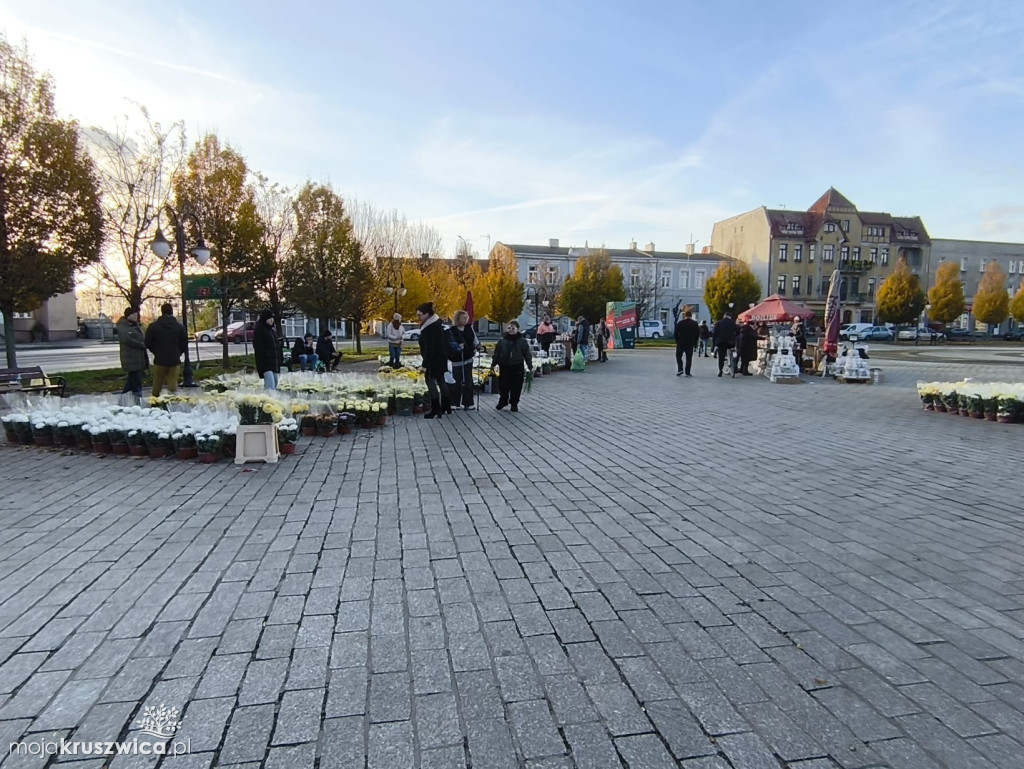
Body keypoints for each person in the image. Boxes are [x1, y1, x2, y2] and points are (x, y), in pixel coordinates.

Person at [144, 303, 188, 397]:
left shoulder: (153, 326)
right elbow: (184, 343)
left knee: (157, 384)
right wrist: (178, 352)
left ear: (162, 312)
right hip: (175, 360)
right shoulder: (180, 327)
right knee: (172, 385)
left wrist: (155, 351)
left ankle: (155, 403)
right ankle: (172, 404)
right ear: (172, 312)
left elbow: (147, 342)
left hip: (159, 359)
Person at [416, 302, 450, 419]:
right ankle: (446, 406)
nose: (418, 317)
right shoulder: (437, 325)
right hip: (441, 359)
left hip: (433, 360)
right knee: (441, 381)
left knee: (430, 382)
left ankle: (435, 409)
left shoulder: (430, 328)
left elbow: (430, 348)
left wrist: (425, 364)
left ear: (427, 314)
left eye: (420, 315)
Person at [491, 320, 532, 412]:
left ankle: (514, 403)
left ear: (517, 329)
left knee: (516, 386)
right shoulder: (502, 341)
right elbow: (497, 353)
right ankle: (503, 401)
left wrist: (530, 365)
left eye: (513, 328)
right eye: (509, 328)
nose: (511, 330)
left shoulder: (522, 341)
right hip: (504, 365)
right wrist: (494, 363)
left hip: (517, 365)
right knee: (503, 385)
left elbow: (527, 354)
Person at [449, 310, 480, 410]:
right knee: (456, 381)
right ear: (458, 319)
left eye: (467, 317)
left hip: (468, 358)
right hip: (456, 359)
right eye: (464, 317)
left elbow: (474, 340)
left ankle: (468, 402)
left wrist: (477, 345)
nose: (466, 319)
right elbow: (448, 343)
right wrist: (457, 347)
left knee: (468, 380)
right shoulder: (451, 330)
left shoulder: (469, 328)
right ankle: (454, 402)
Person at [116, 307, 147, 400]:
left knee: (133, 379)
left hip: (138, 357)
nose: (136, 316)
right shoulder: (123, 326)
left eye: (137, 315)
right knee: (135, 378)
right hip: (130, 357)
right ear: (128, 315)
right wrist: (141, 345)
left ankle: (125, 398)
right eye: (134, 315)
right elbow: (127, 339)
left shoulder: (136, 325)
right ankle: (138, 397)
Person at [253, 309, 279, 389]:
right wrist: (266, 355)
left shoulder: (271, 330)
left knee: (275, 382)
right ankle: (267, 399)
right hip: (265, 363)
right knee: (270, 385)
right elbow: (258, 346)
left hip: (273, 362)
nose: (271, 320)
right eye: (269, 318)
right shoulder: (259, 330)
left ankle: (272, 399)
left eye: (272, 318)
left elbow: (276, 345)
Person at [674, 310, 700, 377]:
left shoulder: (680, 323)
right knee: (689, 358)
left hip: (681, 342)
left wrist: (677, 340)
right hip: (690, 343)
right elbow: (697, 334)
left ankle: (680, 369)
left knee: (678, 356)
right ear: (691, 316)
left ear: (684, 316)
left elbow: (676, 332)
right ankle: (687, 372)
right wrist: (695, 343)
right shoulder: (694, 323)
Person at [712, 312, 738, 377]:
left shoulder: (719, 323)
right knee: (732, 351)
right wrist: (734, 336)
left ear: (724, 316)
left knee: (721, 357)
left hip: (721, 342)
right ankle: (733, 364)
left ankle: (720, 370)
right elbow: (738, 330)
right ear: (730, 316)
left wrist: (715, 342)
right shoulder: (732, 322)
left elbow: (715, 333)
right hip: (730, 342)